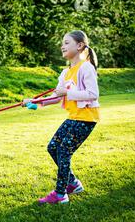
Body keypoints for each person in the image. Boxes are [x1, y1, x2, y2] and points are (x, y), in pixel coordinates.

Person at [22, 30, 100, 204]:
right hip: (74, 117)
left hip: (86, 118)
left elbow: (93, 94)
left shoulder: (86, 67)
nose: (62, 46)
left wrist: (67, 91)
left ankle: (60, 194)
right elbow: (56, 97)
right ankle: (73, 183)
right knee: (53, 147)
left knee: (64, 150)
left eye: (66, 42)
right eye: (62, 43)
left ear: (79, 46)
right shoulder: (65, 73)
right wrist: (33, 101)